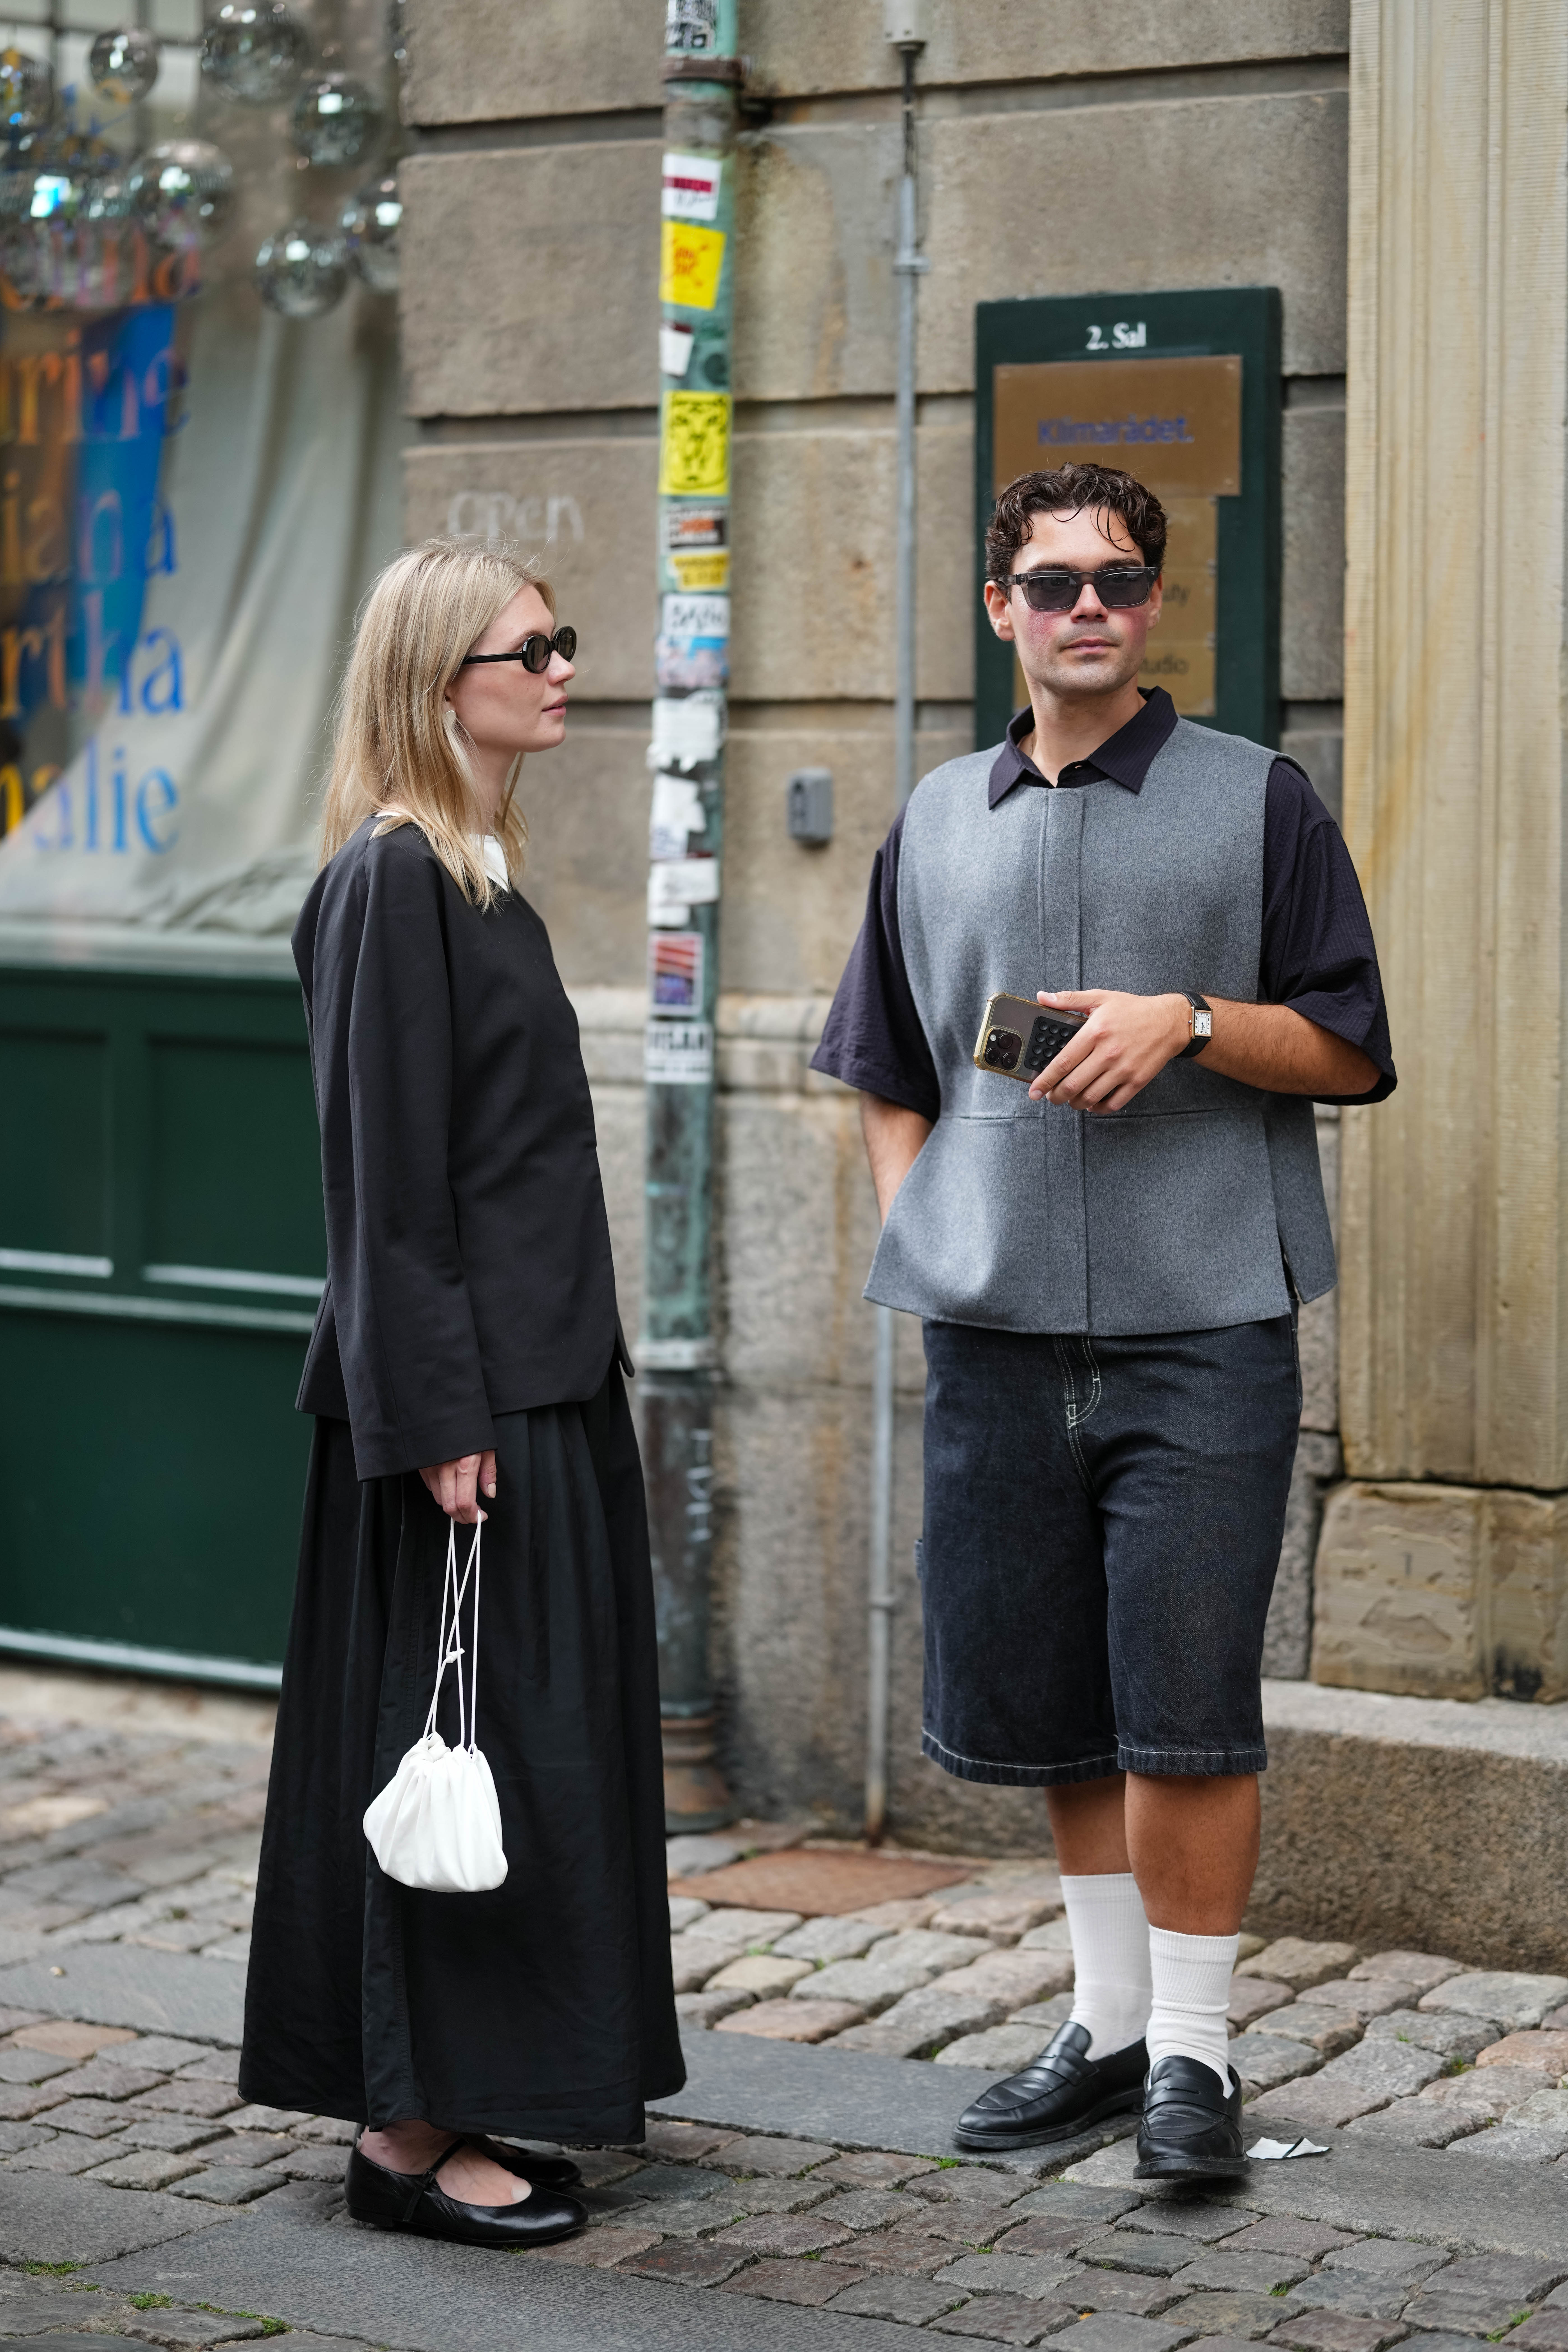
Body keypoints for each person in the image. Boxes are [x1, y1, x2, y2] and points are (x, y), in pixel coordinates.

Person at [811, 461, 1394, 2184]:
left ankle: (1199, 2064)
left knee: (1187, 1702)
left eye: (1121, 583)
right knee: (1057, 1700)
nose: (1089, 607)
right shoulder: (933, 820)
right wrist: (933, 1233)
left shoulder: (1258, 800)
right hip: (995, 1335)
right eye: (1055, 581)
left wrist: (1196, 1019)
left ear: (1155, 609)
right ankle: (1111, 2020)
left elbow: (1353, 1047)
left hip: (1202, 1323)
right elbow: (886, 1067)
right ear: (1000, 607)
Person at [239, 540, 683, 2248]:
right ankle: (409, 2136)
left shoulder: (480, 867)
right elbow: (386, 1187)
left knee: (519, 1755)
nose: (567, 666)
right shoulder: (394, 879)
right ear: (444, 683)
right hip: (461, 1413)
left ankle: (469, 2094)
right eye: (533, 647)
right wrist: (439, 1425)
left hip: (536, 1387)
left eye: (563, 639)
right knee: (457, 1752)